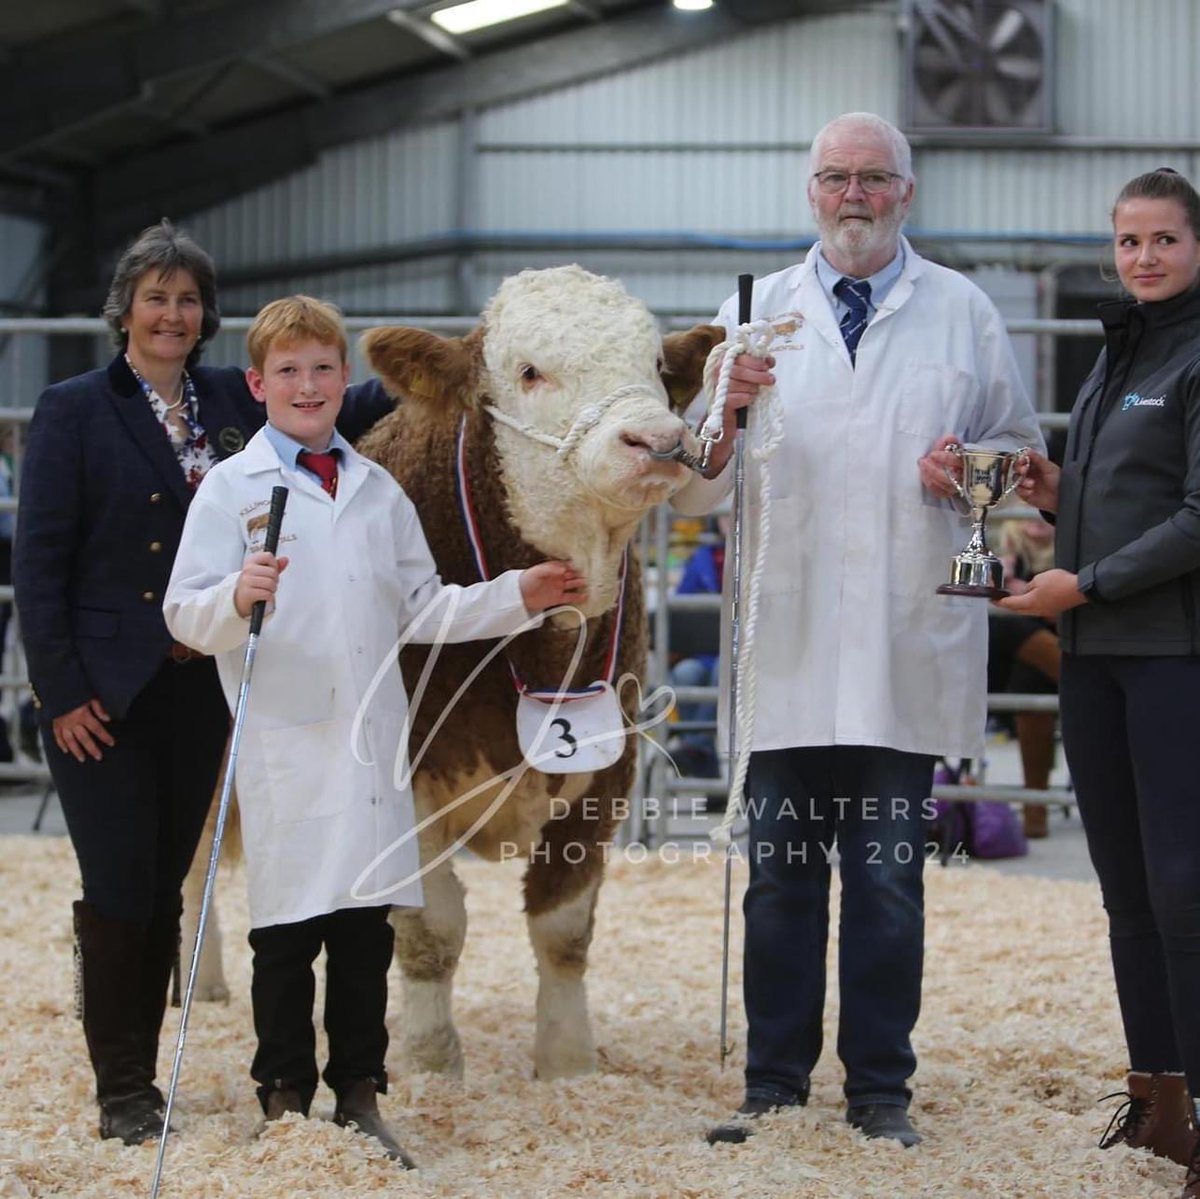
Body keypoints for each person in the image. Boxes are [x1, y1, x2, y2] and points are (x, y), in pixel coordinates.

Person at [672, 112, 1043, 1148]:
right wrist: (726, 411)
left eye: (874, 178)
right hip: (782, 635)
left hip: (898, 631)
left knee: (887, 875)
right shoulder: (751, 310)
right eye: (835, 176)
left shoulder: (961, 310)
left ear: (907, 195)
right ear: (809, 193)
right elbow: (697, 486)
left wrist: (970, 468)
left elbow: (1022, 454)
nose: (854, 195)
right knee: (782, 870)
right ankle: (773, 1084)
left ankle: (881, 1089)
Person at [163, 295, 585, 1166]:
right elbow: (185, 613)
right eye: (288, 371)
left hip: (368, 746)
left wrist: (519, 594)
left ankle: (359, 1092)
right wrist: (235, 597)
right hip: (286, 743)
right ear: (258, 385)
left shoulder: (375, 488)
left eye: (322, 369)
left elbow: (424, 606)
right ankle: (283, 1094)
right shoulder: (229, 493)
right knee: (283, 936)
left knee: (362, 934)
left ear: (343, 379)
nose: (308, 385)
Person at [12, 221, 393, 1146]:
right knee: (119, 885)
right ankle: (126, 1086)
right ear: (126, 310)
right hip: (104, 690)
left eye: (187, 298)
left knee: (170, 883)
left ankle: (143, 1075)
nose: (172, 314)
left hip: (203, 685)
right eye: (155, 297)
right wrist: (60, 690)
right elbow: (39, 560)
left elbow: (352, 395)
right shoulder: (72, 407)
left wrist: (475, 360)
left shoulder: (236, 395)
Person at [999, 166, 1200, 1196]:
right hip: (1096, 656)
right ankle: (1161, 1104)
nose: (1144, 258)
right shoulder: (1120, 352)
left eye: (1163, 239)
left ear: (1196, 245)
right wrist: (1055, 489)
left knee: (1184, 883)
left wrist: (1087, 583)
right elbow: (1125, 494)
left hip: (1174, 652)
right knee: (1124, 884)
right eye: (1129, 241)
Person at [988, 516, 1060, 837]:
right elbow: (996, 594)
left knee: (1030, 678)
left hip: (1052, 645)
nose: (1036, 521)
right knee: (1011, 626)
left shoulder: (1071, 545)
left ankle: (1035, 808)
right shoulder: (1010, 549)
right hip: (1006, 649)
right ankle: (1035, 806)